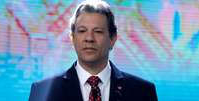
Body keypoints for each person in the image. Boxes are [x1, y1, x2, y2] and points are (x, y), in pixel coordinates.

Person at [29, 0, 158, 101]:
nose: (89, 38)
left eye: (98, 31)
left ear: (112, 39)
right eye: (82, 31)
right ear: (72, 38)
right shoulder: (43, 92)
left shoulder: (142, 91)